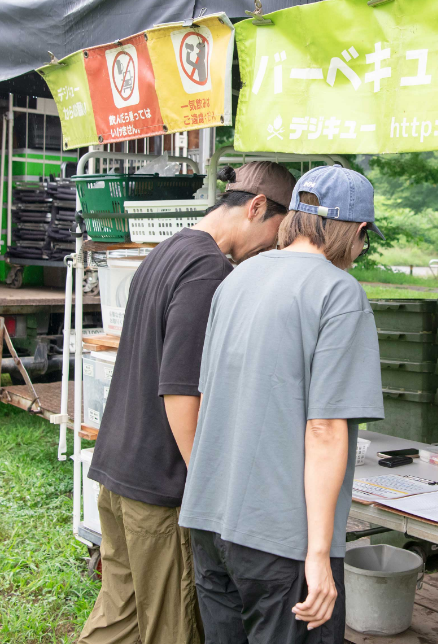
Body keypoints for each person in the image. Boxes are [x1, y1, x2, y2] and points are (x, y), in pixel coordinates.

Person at [79, 160, 297, 644]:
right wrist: (210, 490)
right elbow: (180, 390)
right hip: (158, 489)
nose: (274, 248)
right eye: (279, 234)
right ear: (257, 207)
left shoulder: (170, 249)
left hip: (118, 470)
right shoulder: (208, 271)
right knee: (172, 631)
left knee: (120, 619)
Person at [179, 164, 386, 644]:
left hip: (210, 523)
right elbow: (326, 429)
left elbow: (207, 396)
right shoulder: (339, 292)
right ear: (355, 232)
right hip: (281, 539)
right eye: (364, 240)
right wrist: (319, 555)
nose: (360, 251)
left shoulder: (237, 278)